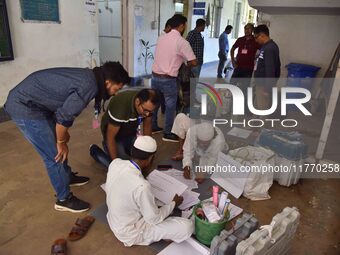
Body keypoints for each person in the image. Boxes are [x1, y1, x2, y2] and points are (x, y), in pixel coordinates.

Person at [4, 62, 130, 213]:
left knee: (60, 145)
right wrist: (61, 140)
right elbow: (64, 118)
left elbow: (63, 114)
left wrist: (62, 136)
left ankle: (66, 177)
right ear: (108, 81)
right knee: (54, 155)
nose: (116, 93)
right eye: (117, 88)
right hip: (25, 107)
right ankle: (63, 199)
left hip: (39, 104)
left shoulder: (90, 77)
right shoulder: (89, 85)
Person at [105, 136, 193, 247]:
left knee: (151, 205)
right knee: (187, 227)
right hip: (130, 233)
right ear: (151, 158)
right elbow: (154, 219)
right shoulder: (142, 186)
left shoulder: (116, 163)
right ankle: (159, 235)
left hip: (115, 221)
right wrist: (173, 204)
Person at [152, 14, 197, 142]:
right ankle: (167, 133)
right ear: (182, 26)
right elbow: (193, 62)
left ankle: (154, 126)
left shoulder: (161, 38)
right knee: (171, 106)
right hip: (168, 79)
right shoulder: (182, 42)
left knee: (155, 103)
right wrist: (186, 62)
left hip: (154, 77)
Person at [89, 89, 160, 168]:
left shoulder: (148, 107)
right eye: (145, 110)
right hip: (115, 136)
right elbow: (110, 137)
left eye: (150, 112)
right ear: (137, 102)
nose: (147, 114)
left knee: (140, 161)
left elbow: (147, 126)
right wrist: (115, 165)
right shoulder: (120, 106)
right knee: (119, 167)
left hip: (130, 132)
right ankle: (95, 151)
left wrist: (148, 151)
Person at [170, 115, 226, 183]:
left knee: (214, 164)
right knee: (190, 153)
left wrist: (205, 172)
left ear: (212, 139)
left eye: (206, 143)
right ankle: (194, 156)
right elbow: (187, 151)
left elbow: (213, 158)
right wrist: (186, 166)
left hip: (210, 155)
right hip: (198, 151)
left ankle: (195, 157)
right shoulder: (192, 132)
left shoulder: (219, 141)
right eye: (201, 142)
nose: (203, 144)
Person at [253, 24, 281, 110]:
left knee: (263, 108)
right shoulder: (265, 47)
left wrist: (267, 89)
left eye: (256, 37)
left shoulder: (269, 48)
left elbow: (270, 70)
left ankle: (262, 122)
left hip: (264, 85)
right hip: (260, 83)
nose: (256, 40)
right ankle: (255, 122)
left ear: (262, 35)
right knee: (257, 105)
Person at [230, 23, 260, 96]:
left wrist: (255, 57)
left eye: (249, 29)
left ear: (252, 30)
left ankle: (242, 103)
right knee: (232, 84)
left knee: (244, 87)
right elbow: (232, 49)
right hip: (238, 66)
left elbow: (263, 50)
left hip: (248, 68)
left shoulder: (255, 41)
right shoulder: (240, 39)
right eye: (245, 29)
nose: (247, 30)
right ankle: (231, 100)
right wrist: (233, 61)